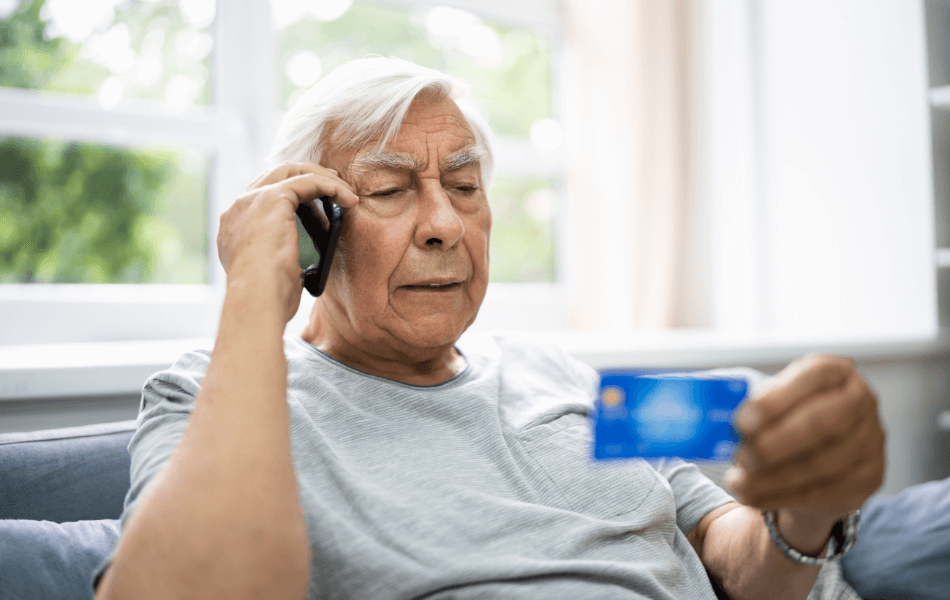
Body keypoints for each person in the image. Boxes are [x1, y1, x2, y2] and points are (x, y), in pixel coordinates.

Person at [92, 57, 885, 600]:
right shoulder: (208, 392)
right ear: (311, 226)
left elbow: (732, 554)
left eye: (464, 184)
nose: (445, 222)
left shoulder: (567, 373)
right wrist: (253, 302)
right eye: (391, 189)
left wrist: (807, 511)